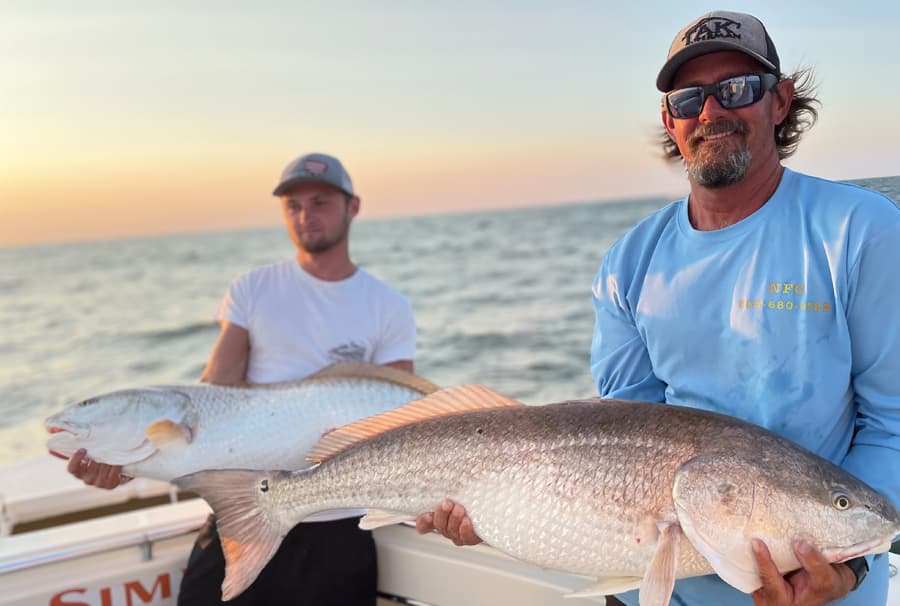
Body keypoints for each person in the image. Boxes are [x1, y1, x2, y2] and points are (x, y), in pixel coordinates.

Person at [418, 10, 900, 606]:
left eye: (737, 89)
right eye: (689, 98)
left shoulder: (859, 231)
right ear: (669, 121)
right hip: (663, 586)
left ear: (780, 102)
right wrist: (494, 508)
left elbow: (893, 421)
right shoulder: (630, 262)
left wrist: (848, 569)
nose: (712, 112)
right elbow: (625, 436)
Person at [69, 151, 417, 606]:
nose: (305, 215)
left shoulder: (388, 306)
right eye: (293, 205)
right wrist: (129, 461)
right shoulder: (252, 289)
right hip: (246, 506)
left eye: (320, 202)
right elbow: (213, 398)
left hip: (339, 518)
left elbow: (403, 420)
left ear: (353, 207)